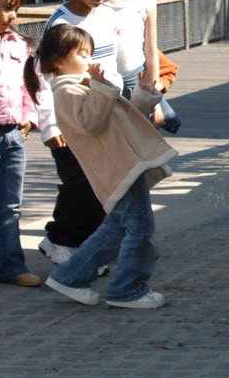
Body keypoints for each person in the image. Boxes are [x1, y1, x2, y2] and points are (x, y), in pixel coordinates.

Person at [27, 24, 175, 308]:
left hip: (124, 163)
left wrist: (144, 96)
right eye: (82, 54)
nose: (89, 59)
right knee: (141, 224)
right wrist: (99, 89)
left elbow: (119, 119)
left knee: (118, 226)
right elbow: (91, 123)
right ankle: (127, 289)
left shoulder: (83, 86)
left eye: (89, 53)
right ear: (58, 60)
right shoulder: (67, 90)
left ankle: (70, 276)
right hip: (118, 167)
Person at [35, 0, 120, 265]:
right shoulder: (60, 22)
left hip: (102, 114)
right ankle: (60, 240)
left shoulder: (109, 16)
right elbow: (41, 75)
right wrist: (50, 124)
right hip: (70, 119)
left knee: (102, 184)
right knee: (79, 184)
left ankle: (87, 249)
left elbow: (112, 64)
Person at [0, 0, 41, 291]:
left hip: (13, 136)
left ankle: (11, 266)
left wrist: (29, 116)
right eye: (5, 7)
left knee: (10, 205)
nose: (12, 15)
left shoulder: (19, 43)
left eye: (16, 7)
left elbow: (29, 86)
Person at [95, 0, 181, 133]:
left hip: (136, 82)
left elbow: (151, 54)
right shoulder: (92, 3)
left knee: (140, 140)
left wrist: (155, 101)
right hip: (102, 83)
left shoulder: (144, 2)